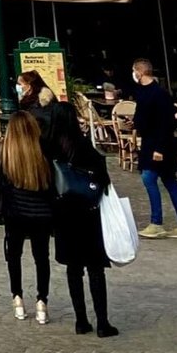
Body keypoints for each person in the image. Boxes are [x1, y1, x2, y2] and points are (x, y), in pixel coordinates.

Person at [44, 102, 116, 337]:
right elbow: (103, 177)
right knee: (95, 268)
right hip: (87, 211)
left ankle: (81, 320)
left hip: (63, 213)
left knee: (73, 269)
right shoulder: (82, 145)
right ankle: (103, 322)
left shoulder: (47, 145)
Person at [0, 109, 55, 324]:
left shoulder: (2, 150)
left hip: (14, 211)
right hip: (41, 212)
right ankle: (42, 301)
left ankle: (17, 298)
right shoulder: (43, 150)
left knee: (14, 255)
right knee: (41, 257)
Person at [129, 58, 177, 238]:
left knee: (149, 178)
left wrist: (159, 149)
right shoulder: (143, 92)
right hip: (151, 142)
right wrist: (135, 122)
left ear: (139, 72)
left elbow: (165, 122)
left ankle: (157, 222)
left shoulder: (159, 93)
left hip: (158, 145)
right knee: (170, 182)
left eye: (134, 71)